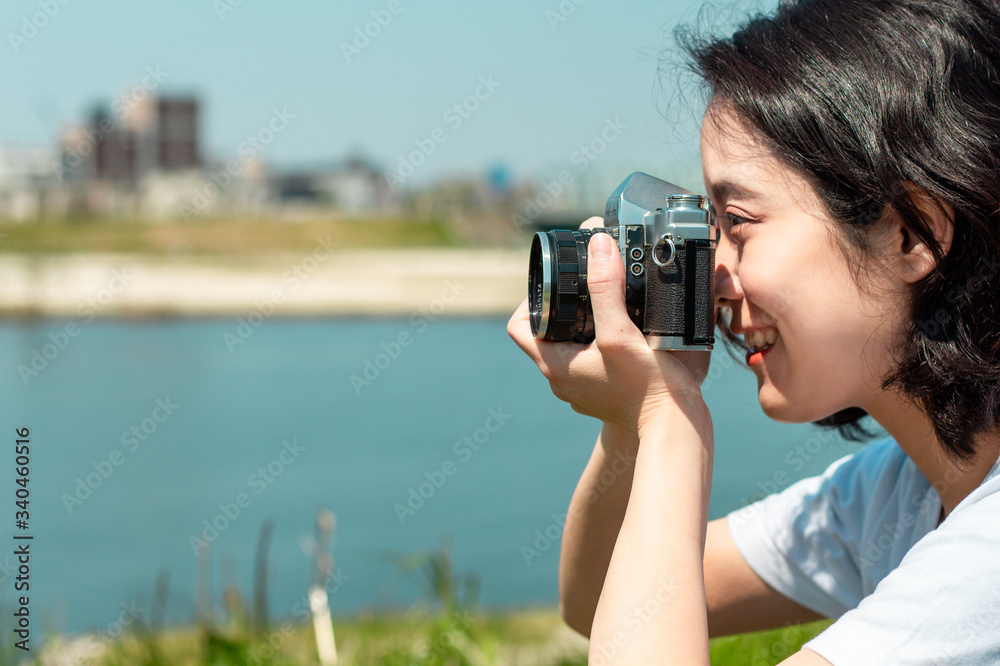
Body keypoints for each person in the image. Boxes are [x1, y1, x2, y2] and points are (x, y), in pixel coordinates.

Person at [507, 0, 1000, 662]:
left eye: (735, 221)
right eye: (701, 229)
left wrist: (669, 423)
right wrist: (632, 415)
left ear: (911, 234)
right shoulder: (895, 495)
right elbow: (599, 602)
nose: (708, 272)